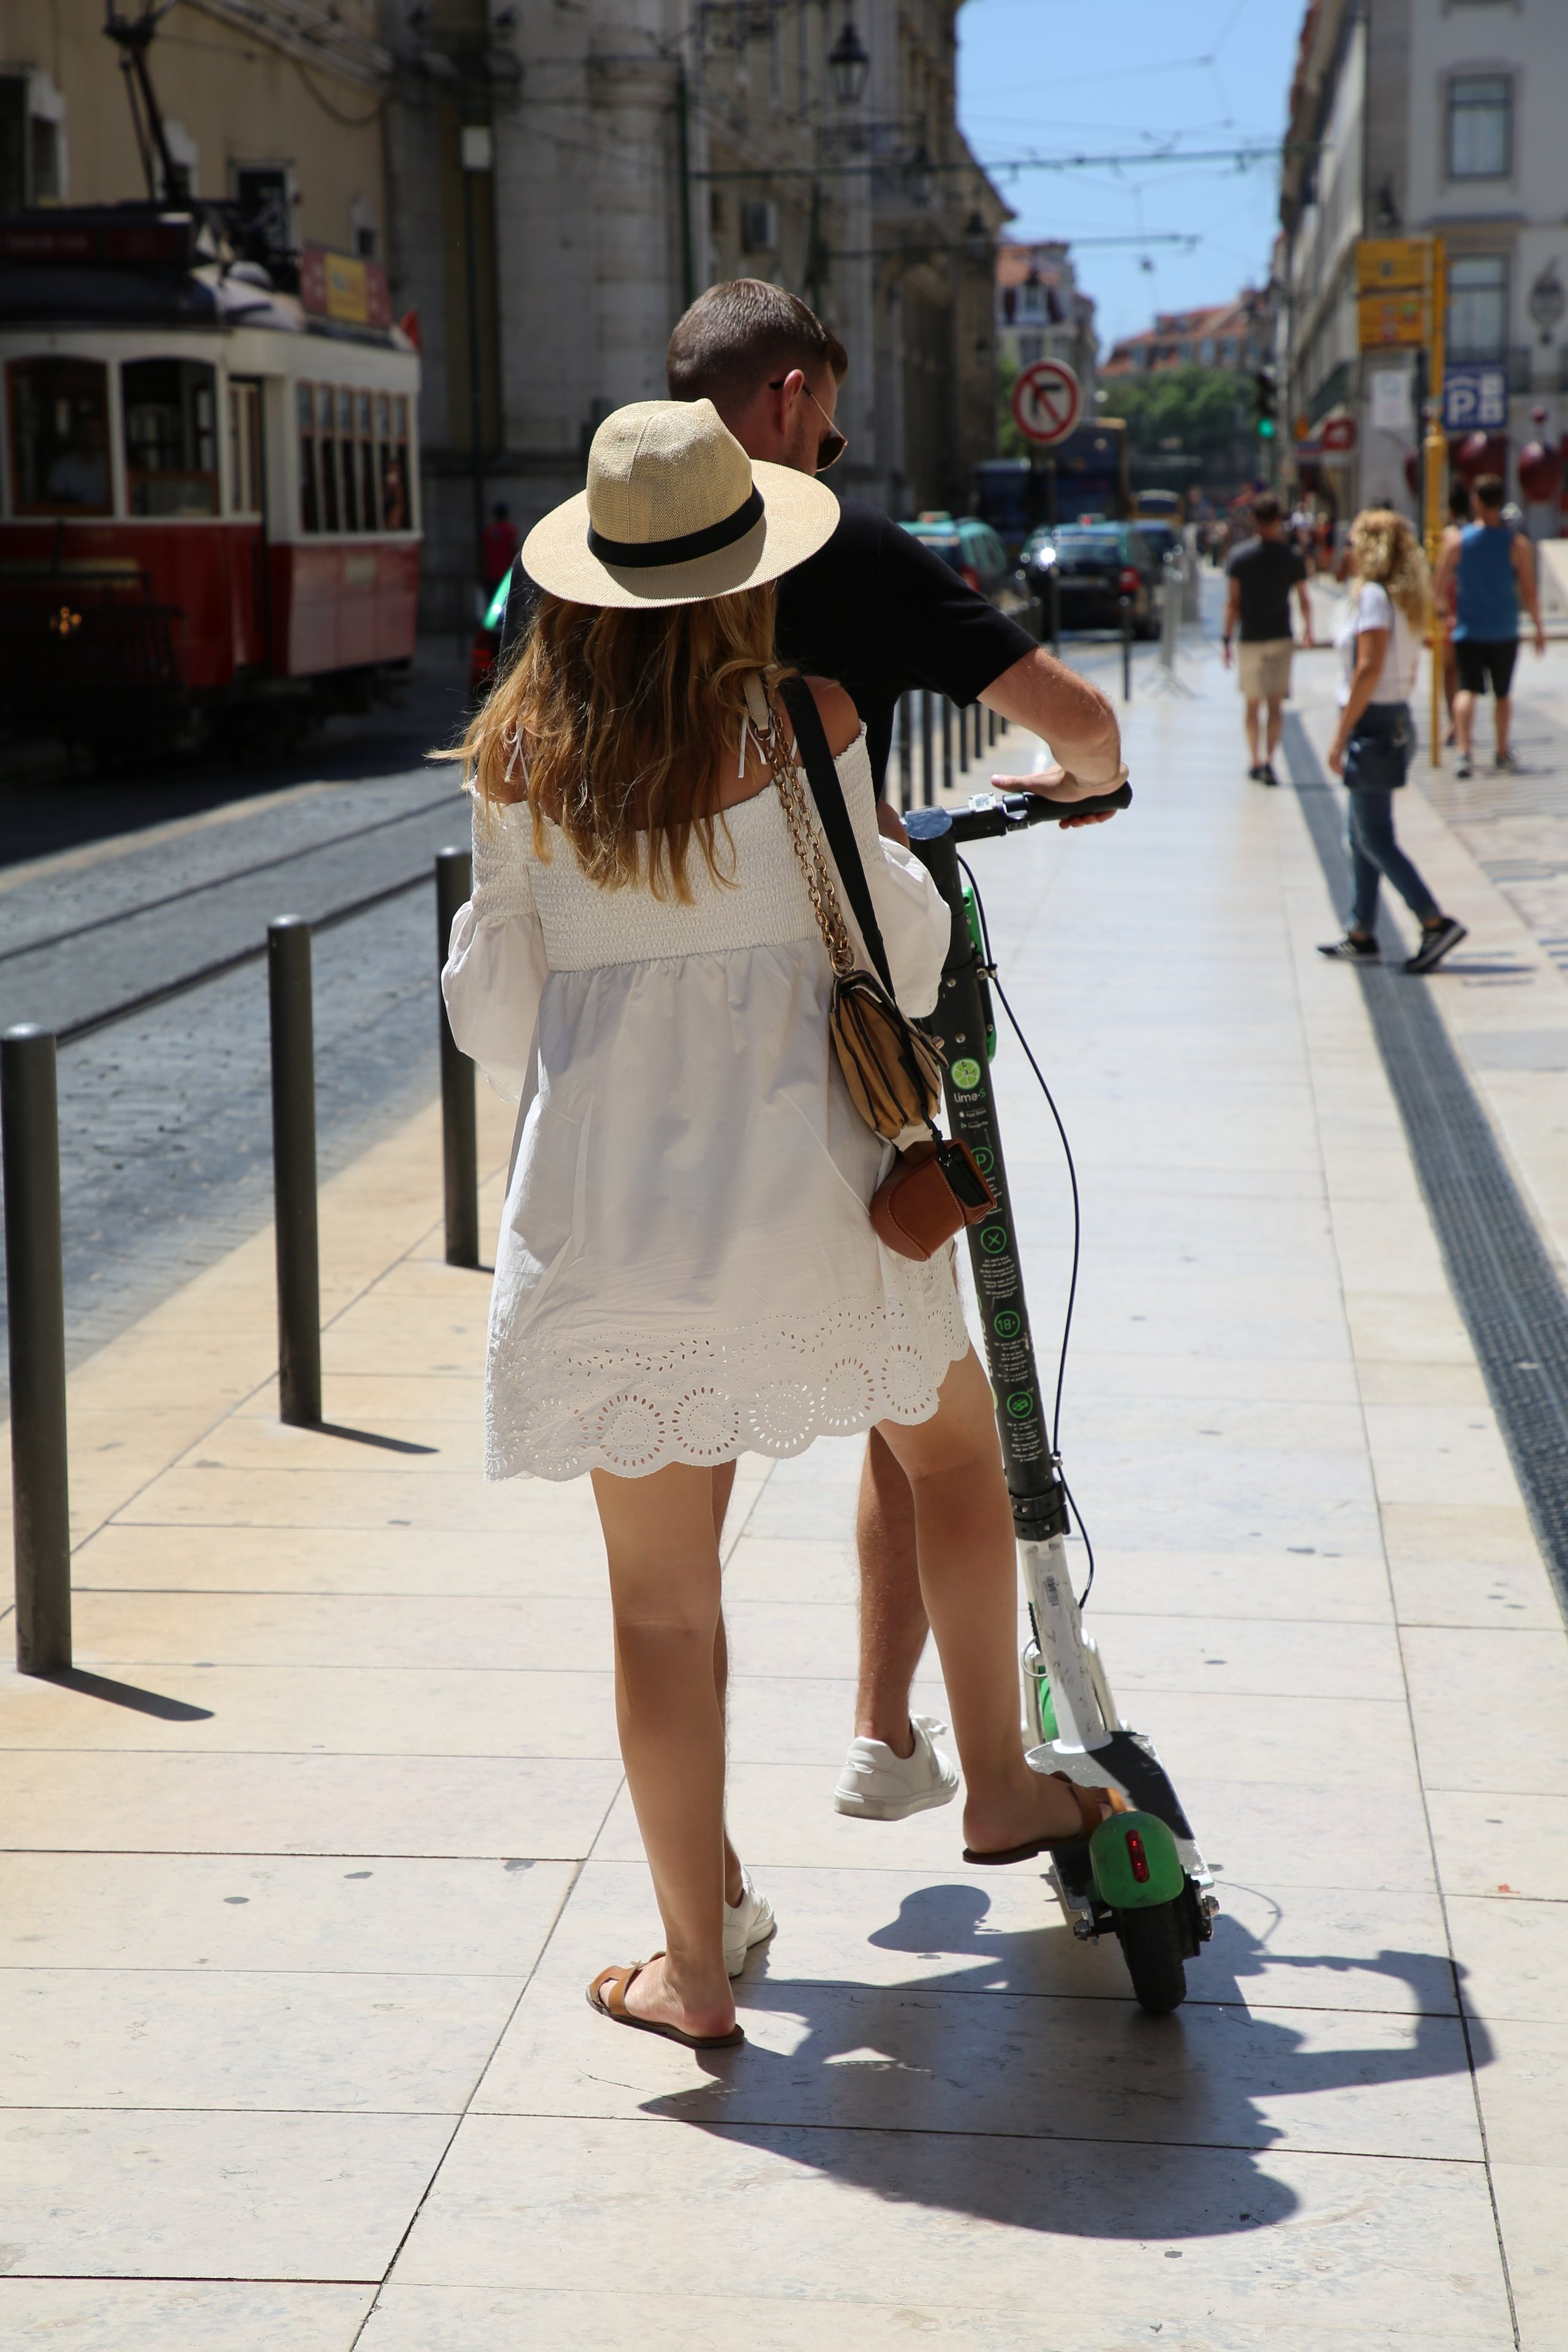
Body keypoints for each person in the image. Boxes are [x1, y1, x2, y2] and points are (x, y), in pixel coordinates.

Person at [440, 399, 1107, 2047]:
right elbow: (906, 953)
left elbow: (496, 1016)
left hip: (608, 1231)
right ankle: (1002, 1784)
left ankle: (695, 1965)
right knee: (949, 1454)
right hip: (814, 1206)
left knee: (661, 1610)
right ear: (745, 573)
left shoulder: (519, 756)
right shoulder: (809, 720)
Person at [1317, 508, 1466, 976]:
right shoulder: (1403, 598)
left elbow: (1368, 666)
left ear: (1371, 548)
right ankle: (1361, 930)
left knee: (1375, 839)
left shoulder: (1374, 598)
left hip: (1372, 722)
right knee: (1357, 836)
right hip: (1391, 716)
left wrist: (1341, 735)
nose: (1349, 551)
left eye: (1355, 542)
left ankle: (1433, 920)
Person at [1434, 472, 1546, 778]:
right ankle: (1500, 751)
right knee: (1502, 694)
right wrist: (1538, 628)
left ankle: (1463, 752)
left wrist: (1444, 615)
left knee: (1467, 690)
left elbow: (1439, 586)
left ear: (1477, 501)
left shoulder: (1458, 542)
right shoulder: (1517, 544)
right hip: (1504, 629)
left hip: (1468, 629)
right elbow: (1529, 590)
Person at [1222, 492, 1314, 786]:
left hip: (1249, 638)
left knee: (1252, 704)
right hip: (1280, 637)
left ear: (1253, 520)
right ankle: (1270, 761)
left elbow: (1233, 604)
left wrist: (1226, 639)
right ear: (1278, 520)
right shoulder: (1291, 557)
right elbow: (1303, 598)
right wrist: (1308, 629)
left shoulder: (1239, 557)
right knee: (1275, 704)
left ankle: (1254, 760)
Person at [1437, 481, 1471, 745]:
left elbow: (1441, 576)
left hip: (1450, 608)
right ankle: (1460, 725)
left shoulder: (1448, 537)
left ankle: (1453, 721)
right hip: (1470, 606)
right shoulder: (1473, 533)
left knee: (1449, 670)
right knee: (1465, 672)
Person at [480, 500, 521, 590]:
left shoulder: (488, 532)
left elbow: (482, 553)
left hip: (491, 575)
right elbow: (515, 551)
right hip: (507, 576)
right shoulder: (510, 531)